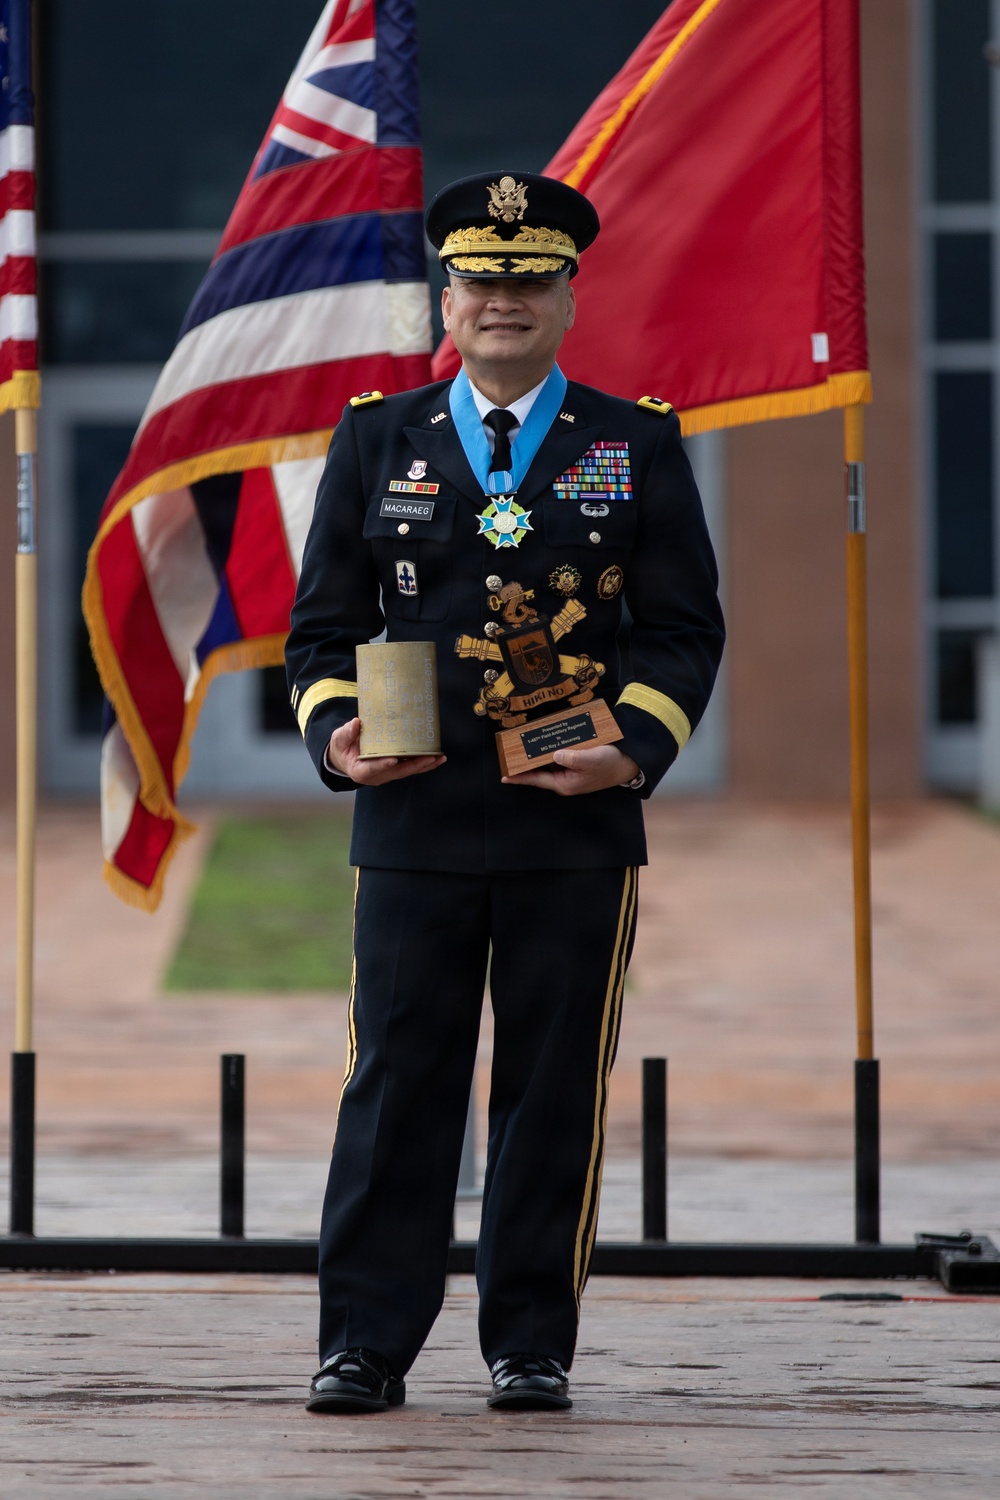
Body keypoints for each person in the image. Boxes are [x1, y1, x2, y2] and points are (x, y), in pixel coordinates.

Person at [286, 171, 725, 1414]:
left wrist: (633, 746)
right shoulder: (377, 435)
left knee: (551, 1089)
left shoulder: (632, 440)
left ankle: (528, 1343)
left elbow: (683, 630)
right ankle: (362, 1344)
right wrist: (340, 739)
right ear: (447, 297)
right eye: (481, 280)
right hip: (414, 817)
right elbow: (320, 632)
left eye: (529, 281)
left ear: (567, 298)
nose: (503, 302)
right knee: (396, 1083)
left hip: (574, 818)